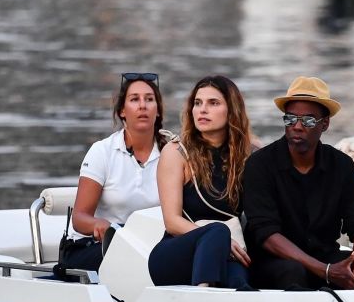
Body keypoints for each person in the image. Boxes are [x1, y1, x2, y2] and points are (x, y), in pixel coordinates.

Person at [241, 77, 354, 291]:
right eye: (290, 119)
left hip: (326, 258)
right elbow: (266, 235)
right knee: (293, 272)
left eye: (308, 121)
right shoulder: (260, 164)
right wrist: (326, 270)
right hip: (275, 263)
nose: (297, 127)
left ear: (324, 124)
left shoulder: (342, 165)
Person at [148, 75, 254, 288]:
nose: (202, 110)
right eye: (197, 103)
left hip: (227, 251)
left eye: (213, 103)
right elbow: (172, 221)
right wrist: (221, 241)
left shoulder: (248, 155)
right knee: (218, 231)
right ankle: (201, 296)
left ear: (232, 110)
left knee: (239, 283)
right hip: (175, 254)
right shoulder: (176, 152)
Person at [59, 73, 167, 273]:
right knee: (137, 262)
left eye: (149, 99)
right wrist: (100, 225)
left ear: (158, 111)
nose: (142, 105)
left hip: (152, 245)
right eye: (134, 99)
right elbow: (80, 217)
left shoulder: (172, 153)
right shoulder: (103, 151)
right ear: (122, 111)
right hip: (100, 246)